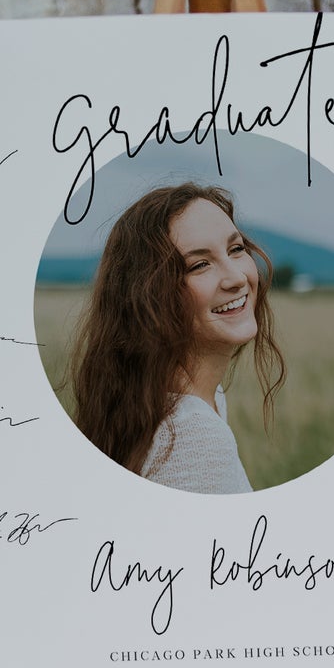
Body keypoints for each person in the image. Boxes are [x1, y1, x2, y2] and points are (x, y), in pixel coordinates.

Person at [70, 182, 286, 493]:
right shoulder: (192, 434)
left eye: (236, 249)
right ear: (151, 297)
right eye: (200, 265)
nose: (237, 278)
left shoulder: (173, 398)